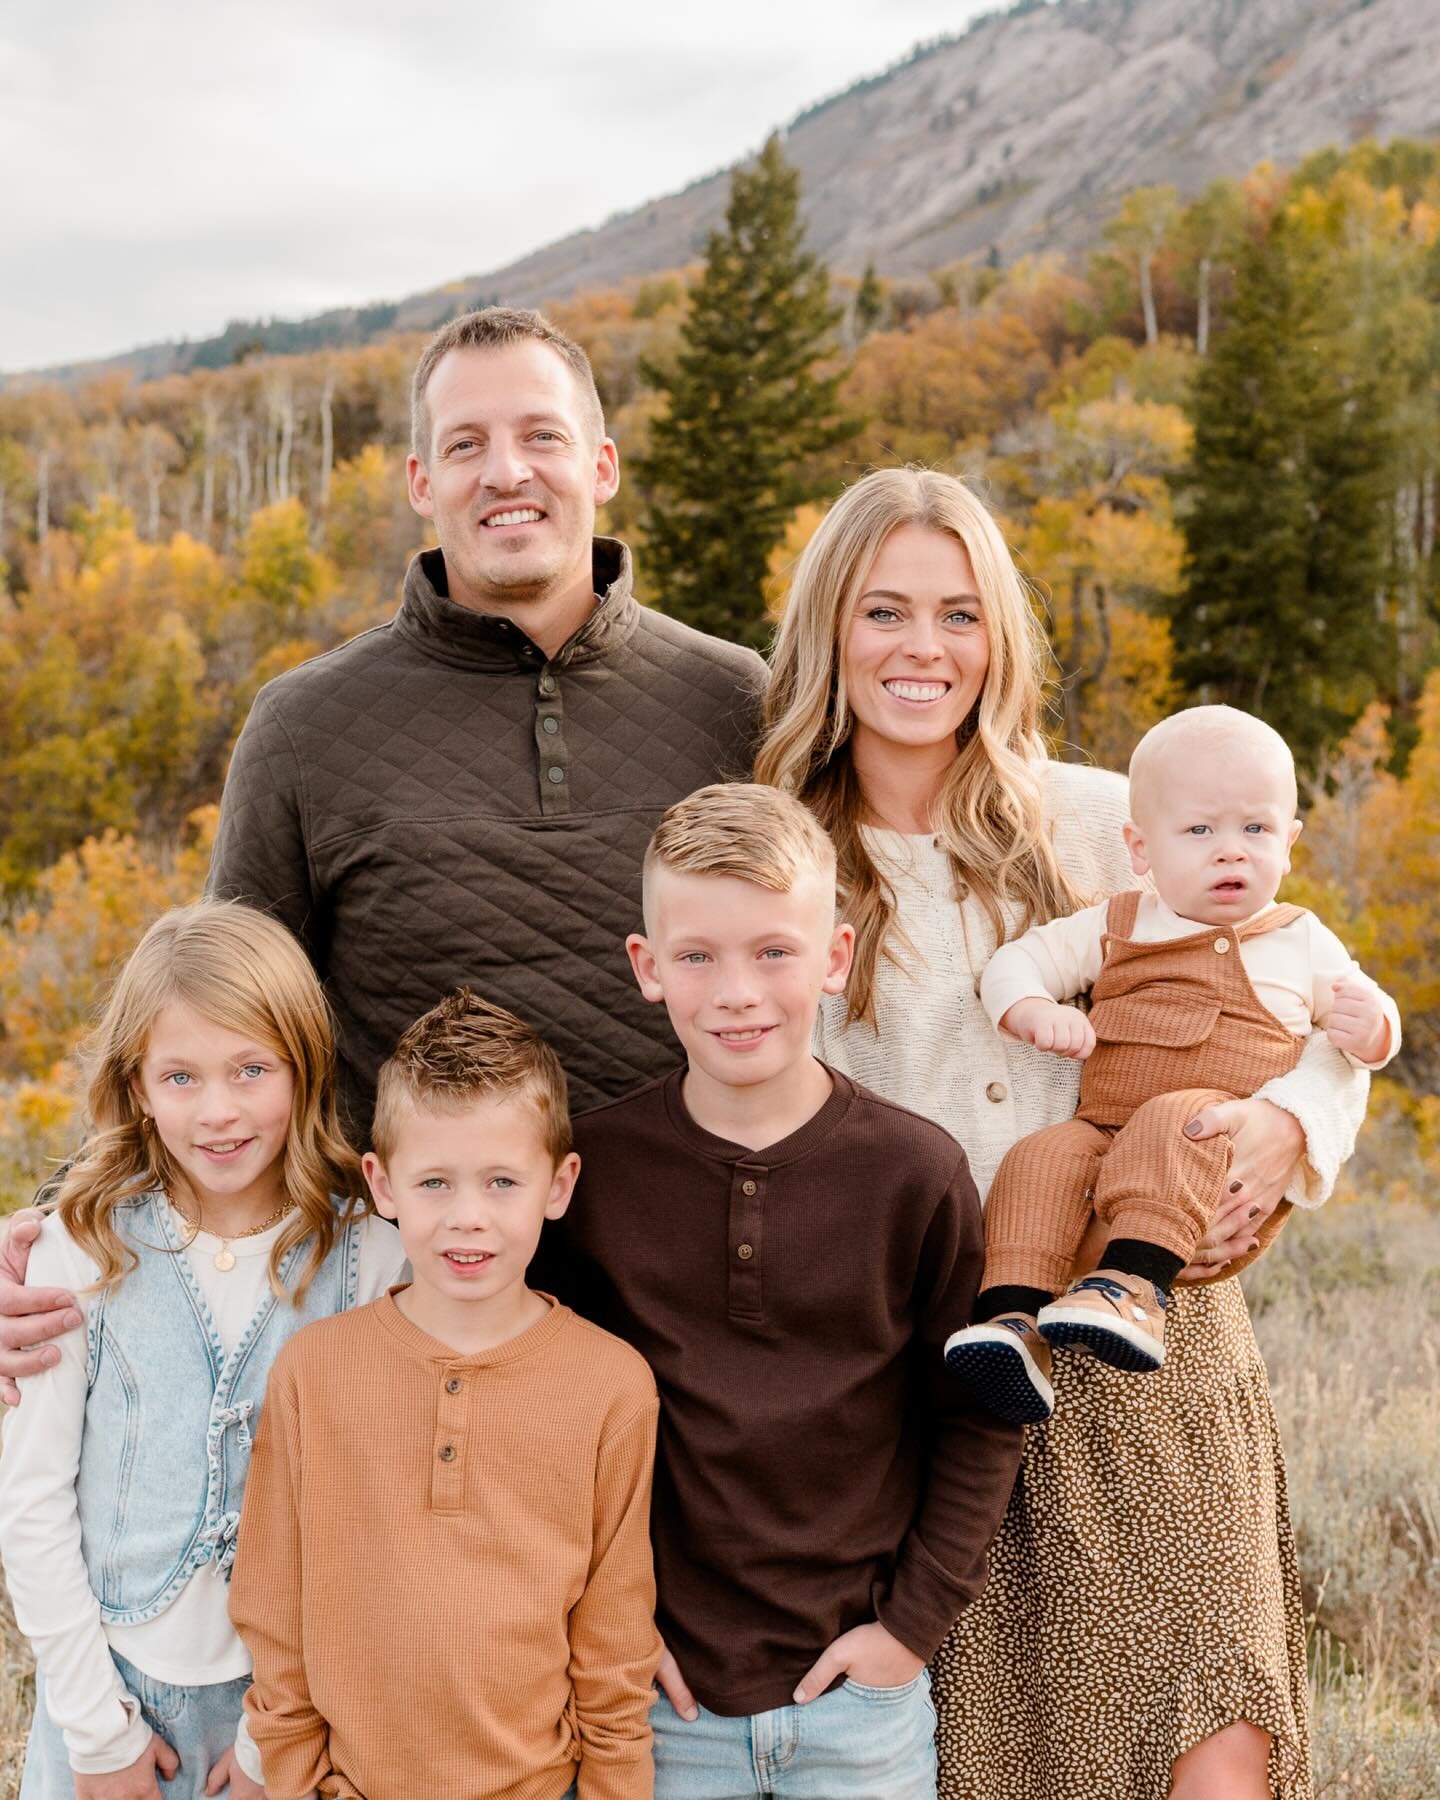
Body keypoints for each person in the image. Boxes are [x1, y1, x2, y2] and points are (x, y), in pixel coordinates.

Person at [0, 303, 765, 1401]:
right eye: (466, 445)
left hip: (697, 1304)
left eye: (540, 437)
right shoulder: (307, 727)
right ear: (421, 480)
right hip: (403, 1314)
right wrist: (49, 1220)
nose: (507, 471)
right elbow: (220, 1015)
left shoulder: (734, 700)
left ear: (599, 463)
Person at [753, 466, 1371, 1800]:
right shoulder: (787, 860)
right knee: (1003, 1763)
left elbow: (1313, 995)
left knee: (1212, 1750)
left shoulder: (1108, 822)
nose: (925, 650)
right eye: (885, 612)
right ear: (828, 632)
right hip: (947, 1373)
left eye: (961, 614)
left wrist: (1283, 1127)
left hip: (1152, 1350)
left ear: (1002, 639)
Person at [542, 781, 1021, 1800]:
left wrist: (908, 1630)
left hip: (860, 1704)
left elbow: (977, 1420)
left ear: (836, 960)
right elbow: (538, 1424)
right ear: (647, 968)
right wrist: (604, 1626)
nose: (737, 992)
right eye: (699, 957)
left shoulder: (915, 1174)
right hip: (661, 1701)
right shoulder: (594, 1172)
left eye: (773, 952)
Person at [0, 903, 407, 1800]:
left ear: (303, 1071)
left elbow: (371, 1521)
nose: (218, 1112)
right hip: (105, 1697)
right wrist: (98, 1736)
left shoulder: (374, 1259)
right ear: (137, 1085)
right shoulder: (80, 1252)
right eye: (180, 1077)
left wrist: (275, 1740)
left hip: (291, 1711)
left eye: (251, 1071)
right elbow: (31, 1506)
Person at [228, 990, 660, 1800]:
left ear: (559, 1185)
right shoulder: (313, 1373)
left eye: (502, 1182)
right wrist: (293, 1780)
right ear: (382, 1185)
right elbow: (273, 1616)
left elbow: (613, 1648)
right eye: (434, 1183)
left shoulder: (612, 1387)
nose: (468, 1219)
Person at [944, 704, 1399, 1422]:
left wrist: (1373, 1029)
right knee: (1042, 1157)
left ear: (1291, 843)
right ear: (1140, 847)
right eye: (1199, 831)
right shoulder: (1119, 923)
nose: (1232, 851)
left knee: (1178, 1116)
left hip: (1214, 1158)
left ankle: (1134, 1288)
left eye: (1257, 829)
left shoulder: (1301, 940)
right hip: (1106, 1133)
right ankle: (1013, 1320)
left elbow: (1368, 1028)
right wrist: (1032, 1009)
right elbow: (1018, 961)